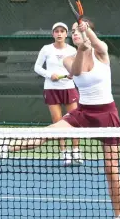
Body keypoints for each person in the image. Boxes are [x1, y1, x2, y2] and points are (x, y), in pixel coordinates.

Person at [0, 19, 120, 219]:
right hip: (83, 113)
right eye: (72, 32)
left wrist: (88, 32)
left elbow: (98, 44)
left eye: (76, 30)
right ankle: (6, 145)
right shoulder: (69, 58)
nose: (74, 33)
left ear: (87, 31)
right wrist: (82, 49)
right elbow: (77, 71)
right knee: (47, 133)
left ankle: (119, 216)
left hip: (107, 114)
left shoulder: (102, 52)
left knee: (111, 169)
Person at [34, 22, 83, 165]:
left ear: (66, 34)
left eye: (62, 31)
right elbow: (37, 67)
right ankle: (64, 152)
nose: (59, 33)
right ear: (53, 34)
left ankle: (76, 150)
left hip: (69, 88)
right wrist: (50, 75)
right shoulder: (46, 49)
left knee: (75, 121)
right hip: (51, 89)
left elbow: (77, 68)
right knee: (57, 121)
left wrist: (73, 74)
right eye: (57, 31)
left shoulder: (73, 50)